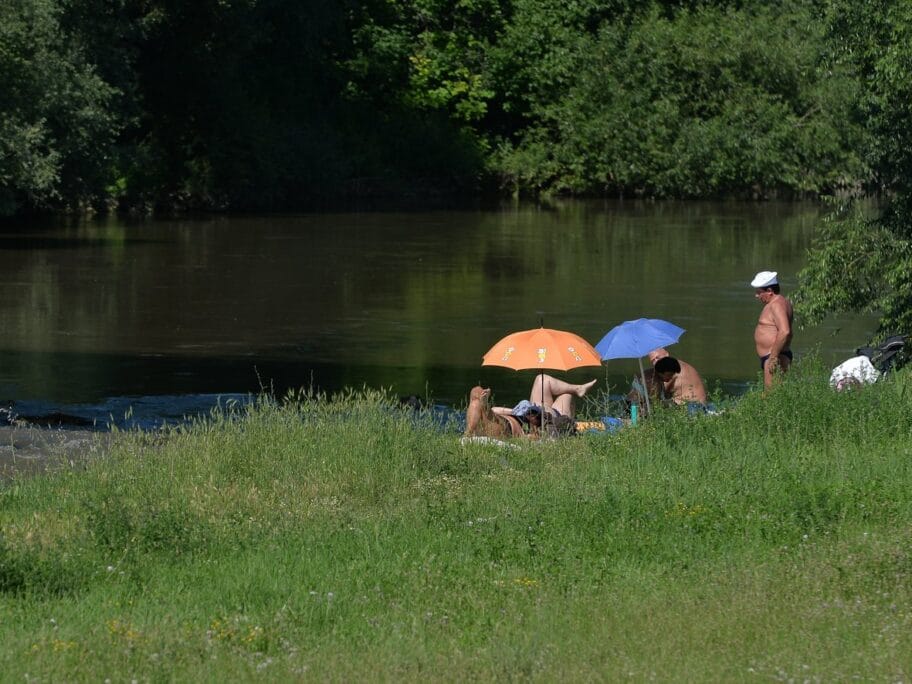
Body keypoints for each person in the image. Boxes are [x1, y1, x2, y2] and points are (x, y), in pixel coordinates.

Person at [491, 374, 597, 436]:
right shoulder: (531, 429)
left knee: (541, 378)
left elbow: (492, 409)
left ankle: (578, 389)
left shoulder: (519, 416)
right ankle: (570, 425)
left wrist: (517, 412)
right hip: (555, 419)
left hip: (541, 409)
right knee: (567, 395)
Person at [751, 270, 794, 388]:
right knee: (772, 395)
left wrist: (773, 357)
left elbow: (785, 331)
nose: (756, 295)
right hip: (774, 355)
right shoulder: (778, 302)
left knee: (771, 397)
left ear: (769, 291)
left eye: (759, 292)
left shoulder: (777, 305)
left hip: (776, 355)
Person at [628, 348, 706, 407]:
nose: (656, 362)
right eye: (653, 361)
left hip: (692, 407)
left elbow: (655, 395)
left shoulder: (672, 370)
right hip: (698, 405)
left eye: (657, 358)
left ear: (666, 354)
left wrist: (640, 379)